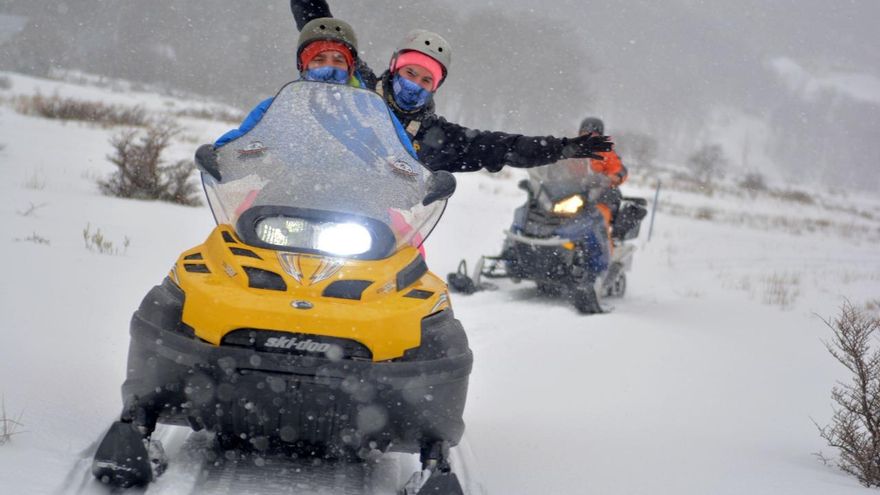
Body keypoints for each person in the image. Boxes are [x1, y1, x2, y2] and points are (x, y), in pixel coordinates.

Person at [289, 0, 614, 173]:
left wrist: (559, 148)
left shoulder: (438, 138)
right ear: (393, 67)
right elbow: (321, 30)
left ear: (435, 87)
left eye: (425, 79)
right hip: (317, 194)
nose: (414, 84)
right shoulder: (358, 82)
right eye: (410, 72)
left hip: (382, 231)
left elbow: (502, 147)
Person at [215, 17, 371, 147]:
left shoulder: (370, 110)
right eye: (318, 59)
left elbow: (393, 157)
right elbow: (244, 145)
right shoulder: (276, 109)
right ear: (303, 65)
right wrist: (219, 153)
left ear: (350, 67)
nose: (329, 68)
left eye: (338, 60)